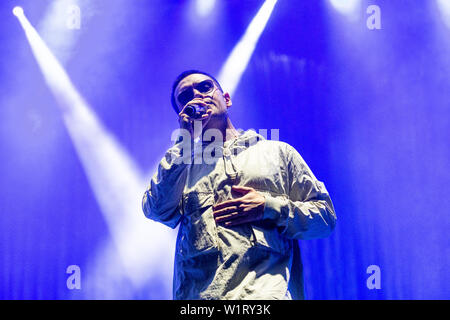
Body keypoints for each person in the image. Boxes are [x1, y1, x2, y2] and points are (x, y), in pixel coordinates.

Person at [142, 70, 336, 300]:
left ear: (226, 99)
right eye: (185, 97)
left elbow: (325, 219)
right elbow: (156, 209)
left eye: (204, 87)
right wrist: (183, 143)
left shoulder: (277, 153)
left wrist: (268, 206)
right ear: (183, 115)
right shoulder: (183, 166)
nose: (197, 96)